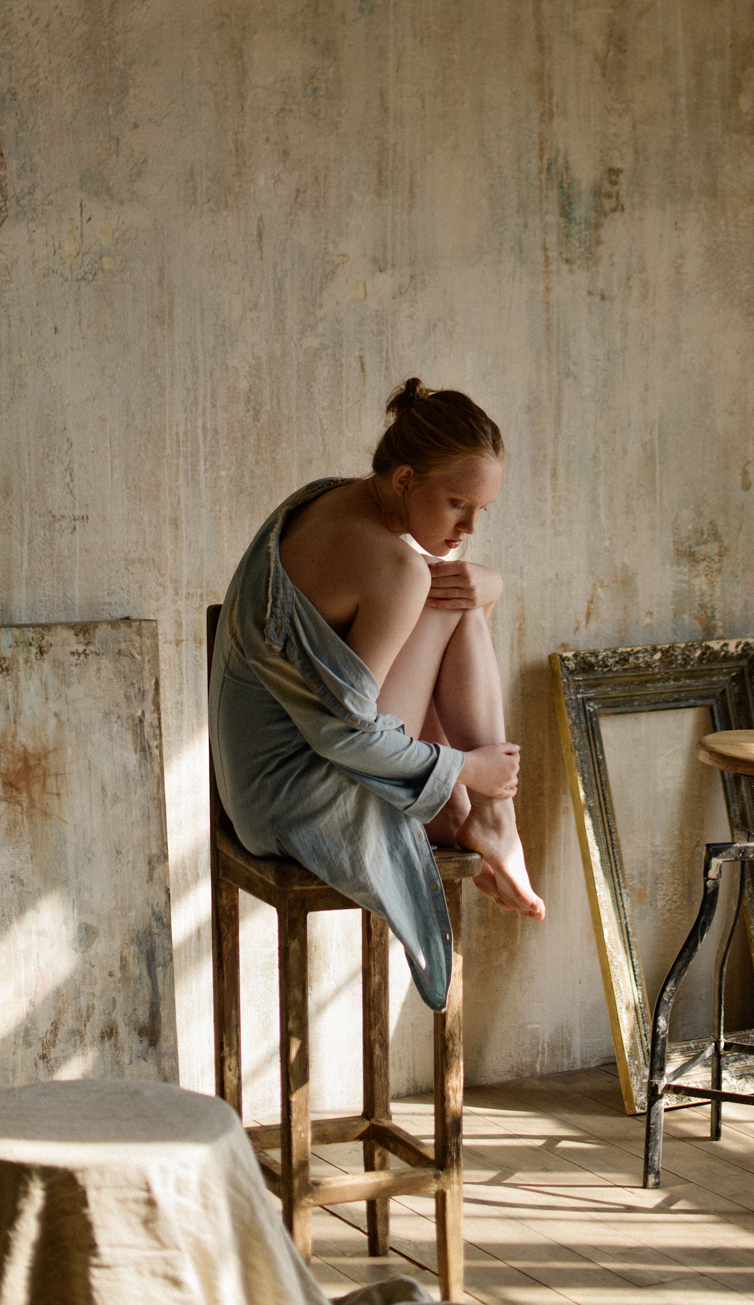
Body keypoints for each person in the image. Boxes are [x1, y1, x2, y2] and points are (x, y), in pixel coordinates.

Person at [208, 378, 544, 1013]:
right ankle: (493, 816)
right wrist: (467, 768)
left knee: (454, 595)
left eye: (483, 510)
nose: (470, 526)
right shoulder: (396, 567)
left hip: (253, 786)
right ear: (405, 479)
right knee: (451, 601)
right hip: (296, 803)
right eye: (457, 504)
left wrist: (486, 583)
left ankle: (482, 818)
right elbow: (345, 734)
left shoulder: (328, 498)